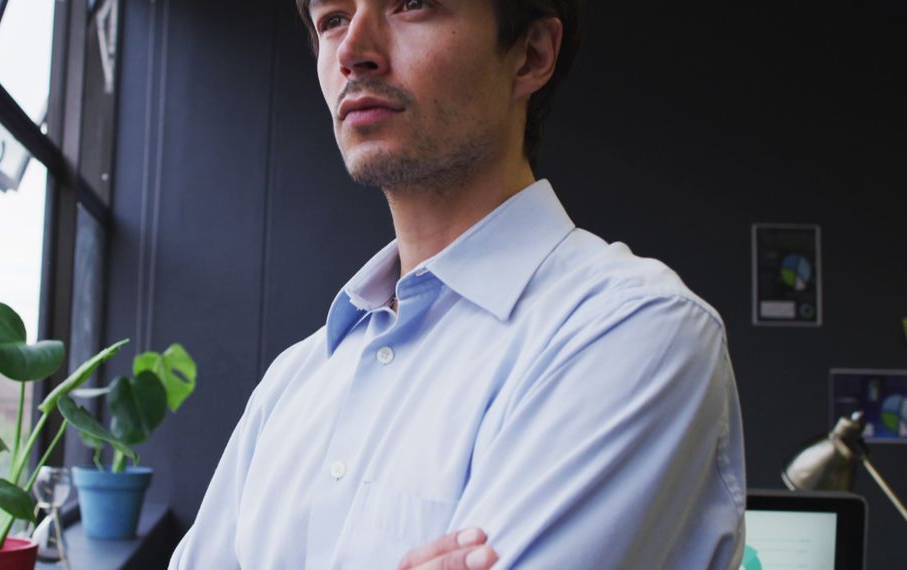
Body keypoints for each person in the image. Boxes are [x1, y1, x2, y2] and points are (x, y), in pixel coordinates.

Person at [170, 0, 745, 568]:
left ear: (531, 55)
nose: (352, 52)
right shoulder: (292, 383)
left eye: (411, 5)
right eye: (333, 19)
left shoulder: (636, 333)